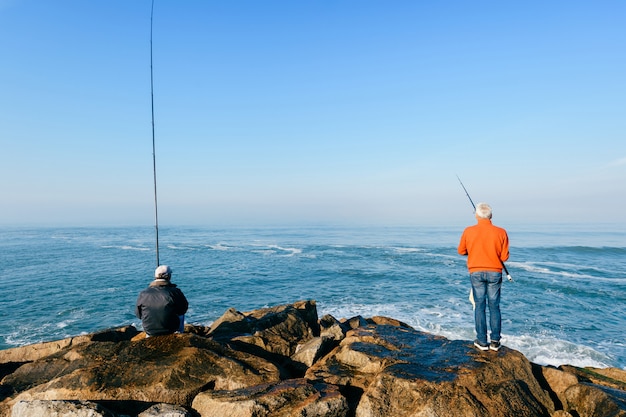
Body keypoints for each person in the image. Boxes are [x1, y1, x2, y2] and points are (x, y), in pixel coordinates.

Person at [458, 202, 509, 352]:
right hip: (495, 272)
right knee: (494, 306)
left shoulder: (468, 231)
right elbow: (504, 256)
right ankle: (495, 342)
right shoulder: (501, 232)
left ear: (476, 215)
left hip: (476, 272)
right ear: (490, 216)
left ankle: (482, 341)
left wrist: (474, 252)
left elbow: (461, 251)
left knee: (479, 305)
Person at [135, 265, 189, 337]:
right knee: (181, 315)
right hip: (170, 329)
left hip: (150, 330)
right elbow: (183, 309)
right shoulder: (175, 292)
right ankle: (179, 334)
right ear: (168, 276)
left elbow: (138, 314)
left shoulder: (143, 293)